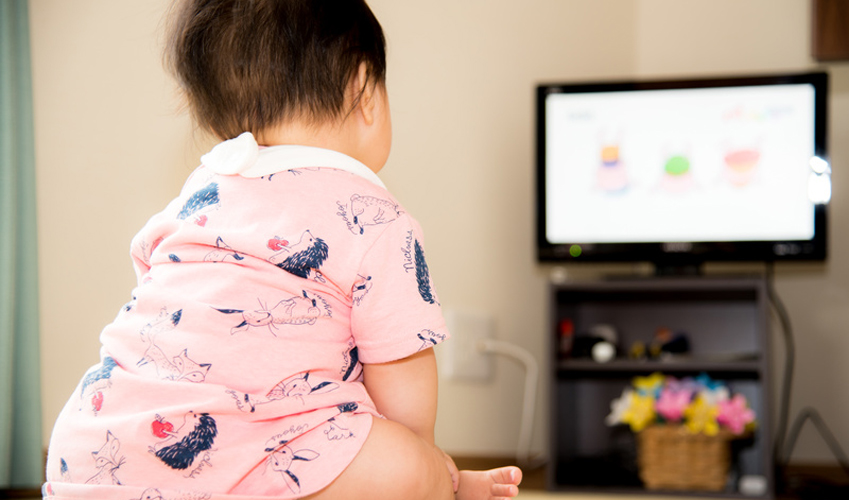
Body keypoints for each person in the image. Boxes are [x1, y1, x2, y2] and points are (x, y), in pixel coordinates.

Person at [43, 1, 522, 499]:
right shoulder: (375, 214)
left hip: (94, 443)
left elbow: (153, 283)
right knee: (407, 465)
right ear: (364, 92)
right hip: (261, 449)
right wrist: (429, 466)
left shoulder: (197, 193)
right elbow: (402, 362)